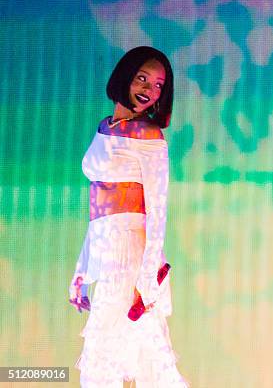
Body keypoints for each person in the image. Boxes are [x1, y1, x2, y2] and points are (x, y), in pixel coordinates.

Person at [69, 46, 188, 387]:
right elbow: (98, 212)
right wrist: (81, 268)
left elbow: (158, 210)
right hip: (106, 250)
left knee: (132, 356)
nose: (150, 91)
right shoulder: (106, 126)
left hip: (132, 254)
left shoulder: (148, 136)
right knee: (112, 356)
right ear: (125, 76)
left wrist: (147, 280)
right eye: (143, 78)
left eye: (159, 86)